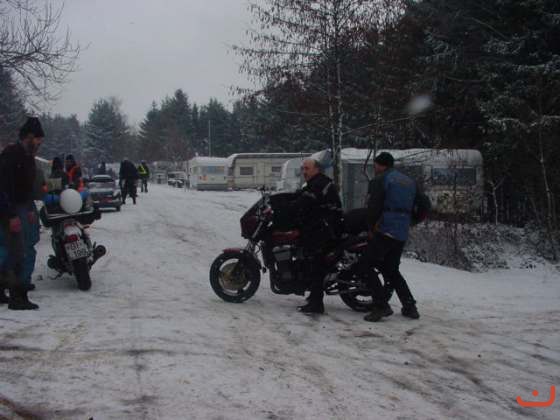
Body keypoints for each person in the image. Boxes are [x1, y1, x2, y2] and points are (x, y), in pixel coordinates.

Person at [352, 152, 420, 322]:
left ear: (380, 165)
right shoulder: (409, 181)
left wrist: (370, 227)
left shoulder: (380, 180)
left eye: (375, 164)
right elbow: (424, 204)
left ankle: (381, 306)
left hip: (384, 229)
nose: (374, 167)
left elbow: (373, 206)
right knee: (391, 269)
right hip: (401, 231)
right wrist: (411, 220)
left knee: (364, 266)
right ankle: (410, 306)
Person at [0, 117, 44, 310]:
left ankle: (6, 290)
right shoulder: (11, 155)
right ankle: (18, 296)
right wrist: (11, 215)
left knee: (16, 250)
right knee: (19, 253)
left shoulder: (27, 157)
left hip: (23, 208)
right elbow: (3, 187)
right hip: (11, 209)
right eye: (38, 140)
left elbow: (26, 187)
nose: (39, 145)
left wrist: (30, 208)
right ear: (29, 137)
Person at [290, 158, 342, 315]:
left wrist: (286, 209)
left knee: (315, 264)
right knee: (310, 261)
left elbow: (305, 201)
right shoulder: (316, 183)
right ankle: (313, 296)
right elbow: (302, 196)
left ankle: (316, 304)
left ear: (317, 169)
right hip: (321, 227)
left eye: (307, 168)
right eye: (303, 169)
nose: (304, 172)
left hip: (324, 229)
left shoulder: (319, 184)